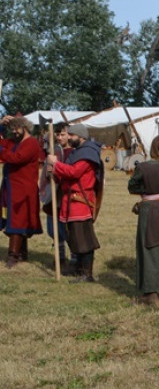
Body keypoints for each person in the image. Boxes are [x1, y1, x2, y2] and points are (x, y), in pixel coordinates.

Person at [48, 124, 105, 282]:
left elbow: (74, 172)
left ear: (81, 136)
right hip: (71, 201)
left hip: (80, 202)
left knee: (84, 239)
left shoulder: (88, 154)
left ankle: (87, 274)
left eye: (71, 135)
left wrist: (56, 164)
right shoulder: (78, 151)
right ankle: (78, 269)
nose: (69, 137)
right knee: (74, 237)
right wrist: (53, 170)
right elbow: (66, 173)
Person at [129, 135, 159, 304]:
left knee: (148, 248)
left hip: (149, 210)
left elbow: (132, 186)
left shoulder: (143, 167)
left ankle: (150, 294)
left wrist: (146, 190)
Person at [0, 115, 45, 268]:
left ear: (24, 127)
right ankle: (21, 252)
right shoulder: (14, 141)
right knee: (12, 218)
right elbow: (2, 143)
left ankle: (13, 255)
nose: (14, 132)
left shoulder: (31, 143)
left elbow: (16, 158)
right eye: (12, 129)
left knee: (18, 220)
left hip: (23, 189)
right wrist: (1, 125)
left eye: (16, 128)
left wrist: (1, 151)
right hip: (11, 187)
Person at [39, 122, 71, 268]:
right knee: (54, 230)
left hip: (67, 196)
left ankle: (75, 261)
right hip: (54, 196)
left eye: (63, 134)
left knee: (68, 230)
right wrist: (50, 170)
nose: (59, 137)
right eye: (57, 134)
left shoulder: (73, 152)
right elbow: (47, 173)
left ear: (69, 135)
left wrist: (58, 168)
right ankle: (60, 257)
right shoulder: (53, 151)